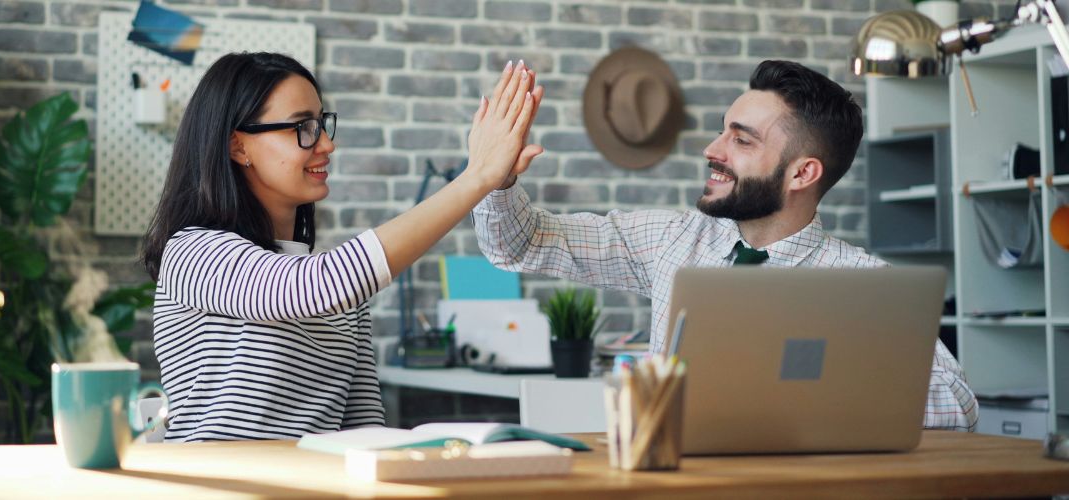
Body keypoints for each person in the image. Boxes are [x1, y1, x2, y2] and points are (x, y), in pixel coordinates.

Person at [472, 60, 978, 431]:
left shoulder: (862, 283)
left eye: (741, 140)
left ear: (803, 173)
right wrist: (496, 179)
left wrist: (814, 388)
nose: (712, 150)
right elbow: (520, 243)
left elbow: (957, 406)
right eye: (722, 133)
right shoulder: (672, 241)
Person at [140, 52, 543, 442]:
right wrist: (476, 179)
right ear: (238, 146)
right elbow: (308, 288)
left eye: (321, 124)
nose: (326, 145)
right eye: (302, 127)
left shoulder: (343, 293)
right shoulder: (192, 253)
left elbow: (363, 428)